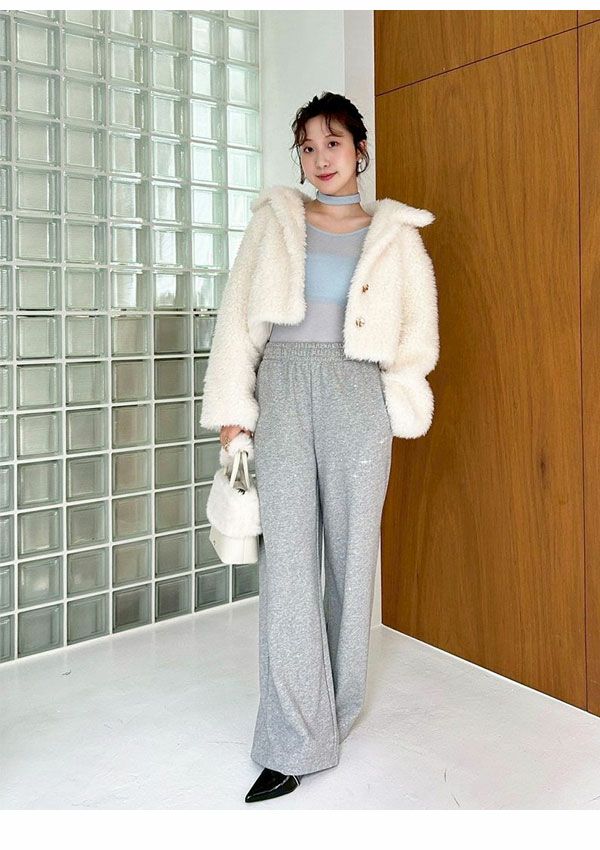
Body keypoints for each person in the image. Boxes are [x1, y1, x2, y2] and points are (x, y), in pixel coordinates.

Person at [199, 91, 440, 803]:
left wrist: (395, 398)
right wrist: (234, 413)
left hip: (358, 396)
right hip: (283, 390)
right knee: (289, 566)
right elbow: (237, 319)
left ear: (360, 150)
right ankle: (291, 738)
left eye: (333, 142)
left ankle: (333, 711)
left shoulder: (396, 236)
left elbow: (417, 333)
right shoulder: (276, 222)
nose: (320, 157)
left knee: (352, 560)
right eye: (307, 147)